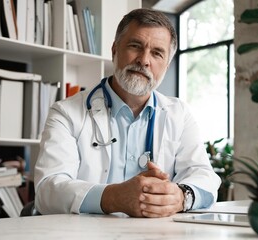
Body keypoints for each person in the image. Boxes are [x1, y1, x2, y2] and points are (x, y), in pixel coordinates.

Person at [34, 8, 221, 218]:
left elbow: (205, 177)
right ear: (114, 50)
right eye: (135, 46)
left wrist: (180, 196)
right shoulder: (66, 113)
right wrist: (114, 197)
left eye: (157, 53)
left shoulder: (179, 114)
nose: (144, 60)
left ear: (167, 65)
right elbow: (48, 190)